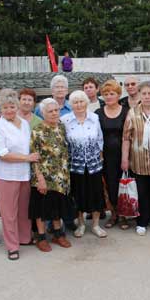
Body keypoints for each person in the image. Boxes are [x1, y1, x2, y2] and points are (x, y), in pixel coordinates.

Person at [0, 89, 39, 261]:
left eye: (12, 107)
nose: (9, 111)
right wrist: (27, 158)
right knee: (9, 213)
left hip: (24, 174)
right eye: (5, 108)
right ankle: (12, 245)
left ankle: (24, 238)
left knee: (23, 210)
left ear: (17, 106)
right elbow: (2, 154)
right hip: (6, 176)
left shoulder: (24, 123)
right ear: (0, 109)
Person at [61, 90, 107, 239]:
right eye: (75, 102)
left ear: (86, 103)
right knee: (78, 195)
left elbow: (100, 139)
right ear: (71, 104)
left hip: (94, 164)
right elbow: (64, 143)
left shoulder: (95, 118)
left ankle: (95, 225)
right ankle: (80, 225)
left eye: (81, 101)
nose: (79, 104)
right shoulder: (65, 120)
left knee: (96, 194)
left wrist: (99, 157)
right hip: (75, 165)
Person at [29, 98, 72, 251]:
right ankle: (40, 237)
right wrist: (40, 179)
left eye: (56, 110)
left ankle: (57, 234)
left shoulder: (61, 127)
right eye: (50, 111)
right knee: (41, 209)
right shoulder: (37, 130)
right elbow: (34, 157)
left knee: (57, 208)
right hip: (43, 177)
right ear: (42, 113)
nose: (54, 113)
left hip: (61, 177)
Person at [34, 75, 76, 231]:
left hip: (63, 159)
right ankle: (49, 227)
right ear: (51, 90)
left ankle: (66, 220)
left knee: (64, 193)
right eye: (57, 87)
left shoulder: (71, 107)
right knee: (49, 196)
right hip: (47, 159)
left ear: (67, 89)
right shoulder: (41, 109)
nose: (60, 89)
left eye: (63, 87)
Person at [121, 82, 150, 236]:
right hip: (137, 161)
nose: (147, 97)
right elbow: (126, 138)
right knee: (141, 192)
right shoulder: (132, 113)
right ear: (140, 95)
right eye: (144, 94)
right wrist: (124, 159)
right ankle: (142, 221)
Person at [96, 80, 129, 229]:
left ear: (118, 95)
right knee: (110, 186)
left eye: (112, 94)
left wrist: (126, 157)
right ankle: (114, 214)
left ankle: (124, 215)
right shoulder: (98, 113)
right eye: (106, 94)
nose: (109, 96)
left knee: (124, 185)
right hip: (106, 156)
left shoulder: (127, 111)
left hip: (123, 155)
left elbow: (129, 136)